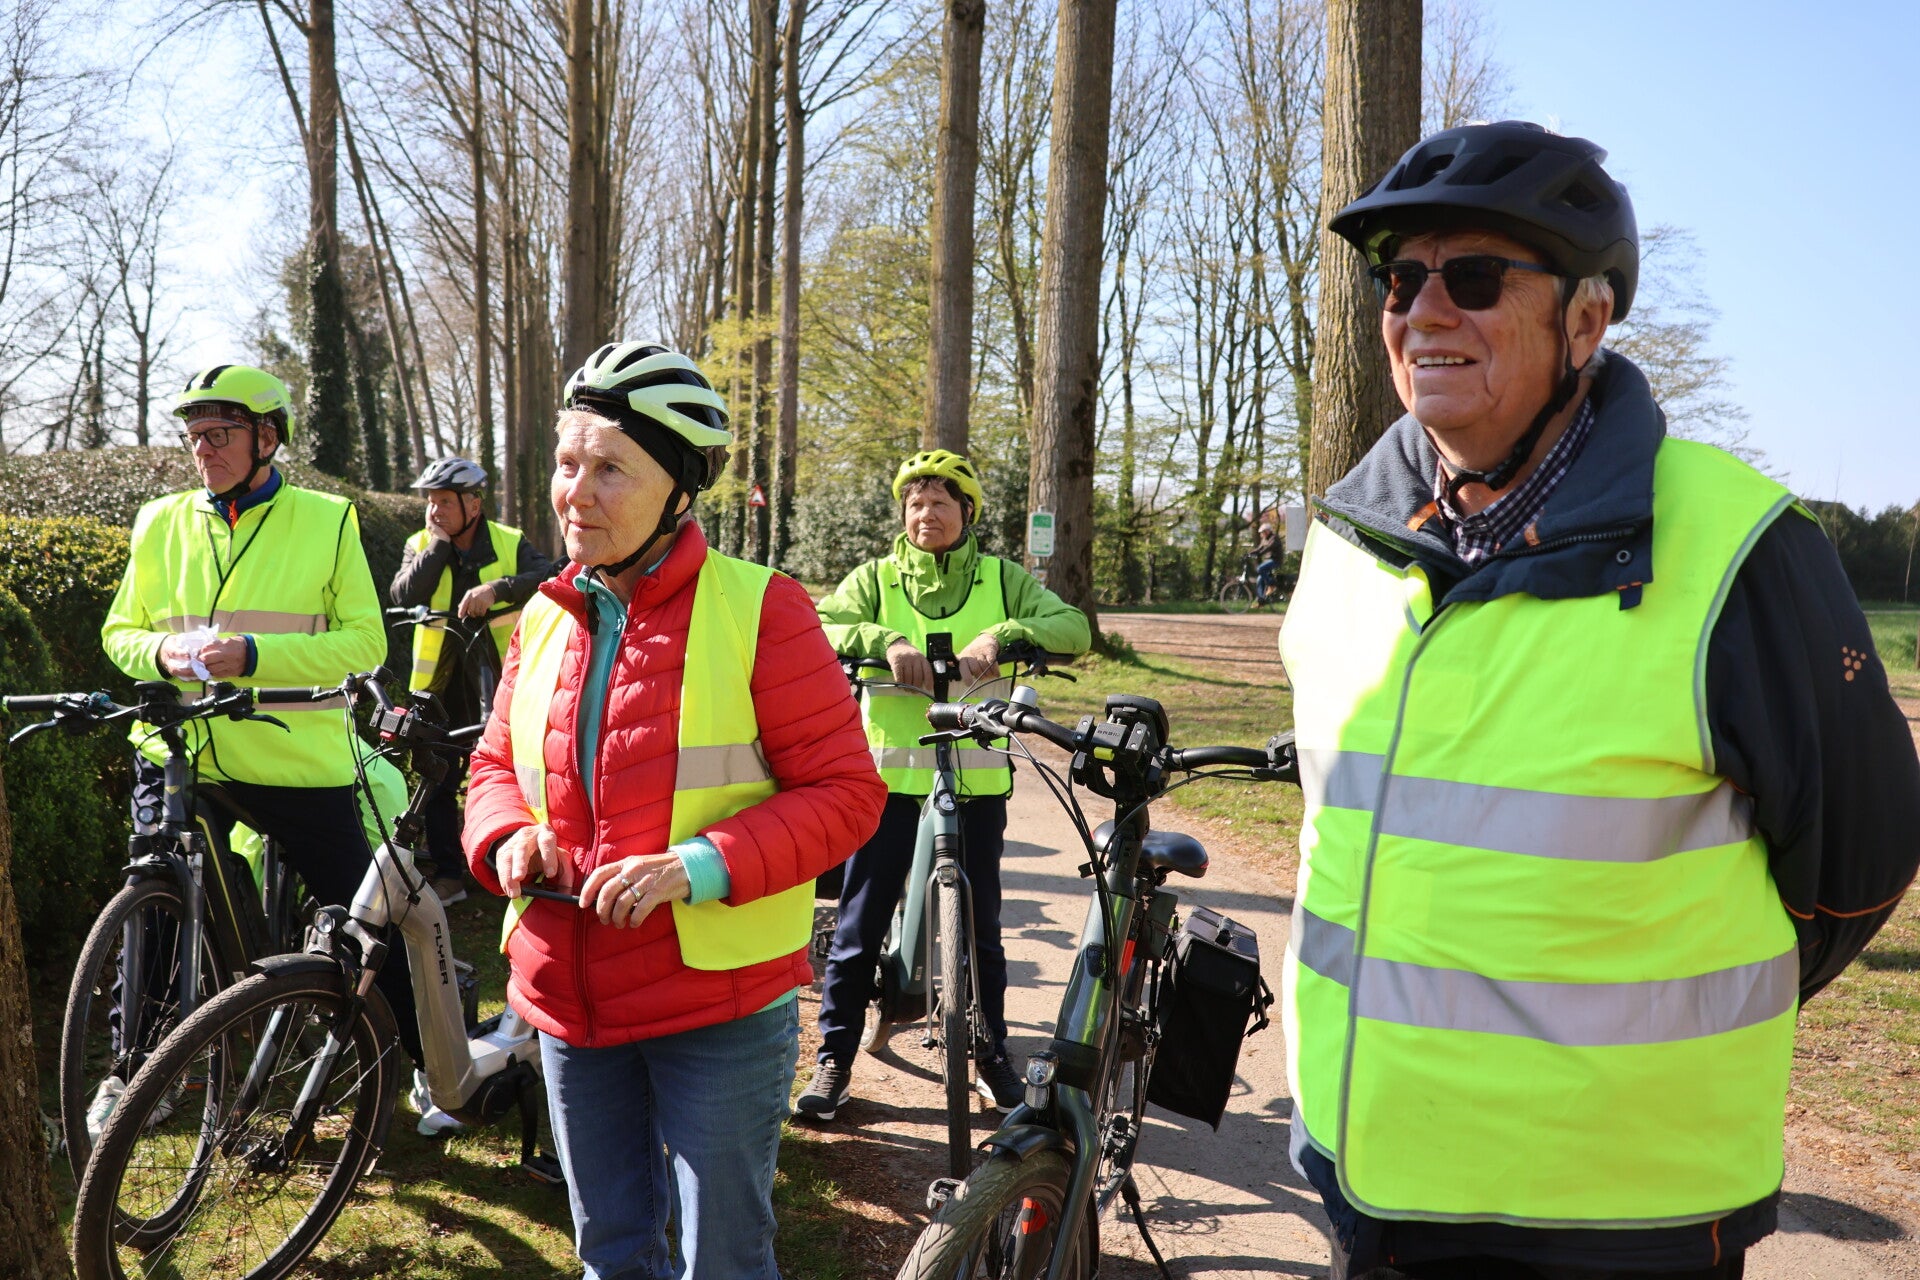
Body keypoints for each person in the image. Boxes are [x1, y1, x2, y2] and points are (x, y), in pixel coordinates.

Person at [1279, 120, 1920, 1280]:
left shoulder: (1745, 550)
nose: (1425, 311)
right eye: (1401, 279)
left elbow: (1856, 868)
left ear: (1586, 321)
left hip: (1620, 1224)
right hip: (1368, 1177)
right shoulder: (1345, 538)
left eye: (1475, 277)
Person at [462, 340, 885, 1280]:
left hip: (715, 1005)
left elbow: (848, 795)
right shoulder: (544, 615)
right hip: (567, 995)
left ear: (679, 491)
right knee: (611, 1253)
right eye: (567, 464)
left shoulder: (763, 608)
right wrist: (508, 835)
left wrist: (694, 866)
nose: (575, 493)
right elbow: (493, 765)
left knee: (722, 1261)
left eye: (610, 469)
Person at [98, 363, 421, 1133]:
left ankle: (422, 1057)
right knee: (153, 902)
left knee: (362, 913)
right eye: (195, 436)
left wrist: (253, 655)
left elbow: (365, 644)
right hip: (180, 751)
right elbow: (118, 633)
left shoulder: (328, 520)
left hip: (292, 757)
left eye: (220, 433)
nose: (203, 448)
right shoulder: (159, 521)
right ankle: (131, 1072)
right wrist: (162, 654)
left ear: (267, 437)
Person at [798, 449, 1091, 1121]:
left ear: (967, 512)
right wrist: (887, 641)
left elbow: (1074, 628)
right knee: (860, 922)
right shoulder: (875, 578)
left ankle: (991, 1055)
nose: (925, 513)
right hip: (887, 783)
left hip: (975, 783)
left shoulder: (1002, 579)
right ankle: (835, 1058)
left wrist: (1002, 635)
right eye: (915, 503)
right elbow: (819, 623)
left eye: (939, 502)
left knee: (982, 930)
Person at [390, 455, 555, 906]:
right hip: (438, 685)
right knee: (437, 780)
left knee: (516, 775)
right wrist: (438, 546)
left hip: (501, 681)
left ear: (474, 504)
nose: (434, 510)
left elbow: (548, 575)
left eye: (445, 501)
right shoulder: (421, 542)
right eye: (431, 501)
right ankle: (449, 875)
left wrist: (496, 589)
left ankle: (517, 863)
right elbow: (404, 592)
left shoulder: (508, 541)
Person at [1253, 519, 1281, 602]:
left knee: (1260, 568)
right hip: (1268, 561)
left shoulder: (1274, 538)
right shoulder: (1264, 539)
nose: (1262, 534)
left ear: (1267, 531)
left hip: (1275, 560)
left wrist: (1260, 553)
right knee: (1259, 579)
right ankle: (1261, 600)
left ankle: (1272, 585)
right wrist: (1249, 553)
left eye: (1263, 532)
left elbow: (1269, 547)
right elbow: (1259, 548)